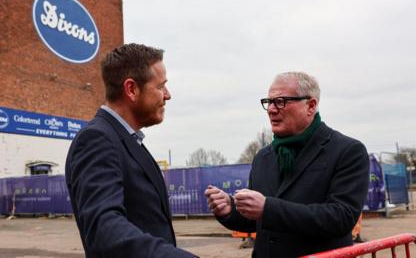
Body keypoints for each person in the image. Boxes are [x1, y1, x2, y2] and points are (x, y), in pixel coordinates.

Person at [205, 71, 369, 257]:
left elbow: (341, 217)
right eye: (269, 102)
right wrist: (230, 210)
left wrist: (267, 208)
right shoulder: (263, 157)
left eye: (281, 101)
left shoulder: (347, 151)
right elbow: (256, 221)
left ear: (310, 105)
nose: (272, 109)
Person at [65, 43, 196, 258]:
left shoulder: (127, 140)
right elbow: (104, 230)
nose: (168, 95)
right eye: (161, 86)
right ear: (132, 89)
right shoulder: (97, 140)